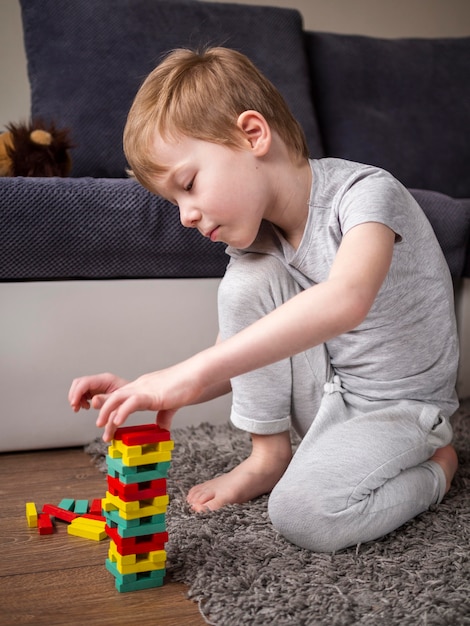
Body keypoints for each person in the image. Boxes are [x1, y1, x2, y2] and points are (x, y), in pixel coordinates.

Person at [69, 47, 459, 553]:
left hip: (399, 406)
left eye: (189, 184)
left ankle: (439, 468)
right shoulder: (260, 242)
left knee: (303, 515)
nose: (186, 214)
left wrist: (186, 375)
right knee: (245, 280)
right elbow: (237, 353)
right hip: (332, 392)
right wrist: (152, 385)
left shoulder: (365, 193)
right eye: (175, 202)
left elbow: (347, 299)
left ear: (253, 134)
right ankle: (268, 457)